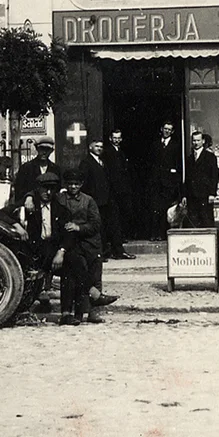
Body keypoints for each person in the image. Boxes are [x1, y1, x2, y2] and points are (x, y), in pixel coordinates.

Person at [49, 169, 105, 325]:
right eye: (70, 184)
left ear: (81, 184)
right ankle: (75, 314)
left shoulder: (88, 201)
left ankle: (93, 312)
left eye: (76, 184)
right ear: (66, 184)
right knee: (74, 278)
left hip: (90, 243)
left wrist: (78, 228)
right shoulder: (60, 199)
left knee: (93, 276)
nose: (73, 186)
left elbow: (96, 224)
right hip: (71, 245)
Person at [80, 140, 133, 260]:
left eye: (101, 147)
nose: (99, 149)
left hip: (108, 199)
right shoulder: (86, 163)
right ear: (90, 147)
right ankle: (102, 253)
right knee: (100, 227)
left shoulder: (102, 161)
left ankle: (119, 251)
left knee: (114, 225)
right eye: (96, 146)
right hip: (96, 201)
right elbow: (85, 183)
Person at [149, 121, 182, 240]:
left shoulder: (175, 145)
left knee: (166, 209)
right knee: (155, 208)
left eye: (169, 129)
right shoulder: (155, 144)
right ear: (161, 129)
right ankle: (154, 234)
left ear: (172, 132)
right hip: (156, 182)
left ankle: (163, 234)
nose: (167, 131)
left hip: (169, 183)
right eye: (165, 129)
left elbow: (178, 164)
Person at [104, 129, 136, 244]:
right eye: (114, 138)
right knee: (114, 215)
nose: (117, 140)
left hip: (123, 189)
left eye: (119, 138)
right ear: (110, 139)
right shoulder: (107, 152)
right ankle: (115, 239)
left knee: (124, 213)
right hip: (114, 189)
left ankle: (122, 236)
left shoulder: (121, 152)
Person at [182, 130, 219, 229]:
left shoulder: (210, 157)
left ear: (203, 141)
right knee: (193, 223)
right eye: (194, 141)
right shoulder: (189, 159)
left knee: (206, 221)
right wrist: (185, 195)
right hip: (192, 196)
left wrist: (212, 193)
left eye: (198, 140)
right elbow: (187, 178)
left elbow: (214, 176)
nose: (196, 143)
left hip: (205, 195)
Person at [11, 136, 61, 207]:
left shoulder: (55, 169)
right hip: (30, 206)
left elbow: (57, 190)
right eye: (41, 149)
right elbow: (19, 191)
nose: (44, 152)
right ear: (37, 149)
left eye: (47, 150)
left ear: (51, 151)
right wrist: (28, 198)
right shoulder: (26, 168)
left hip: (49, 207)